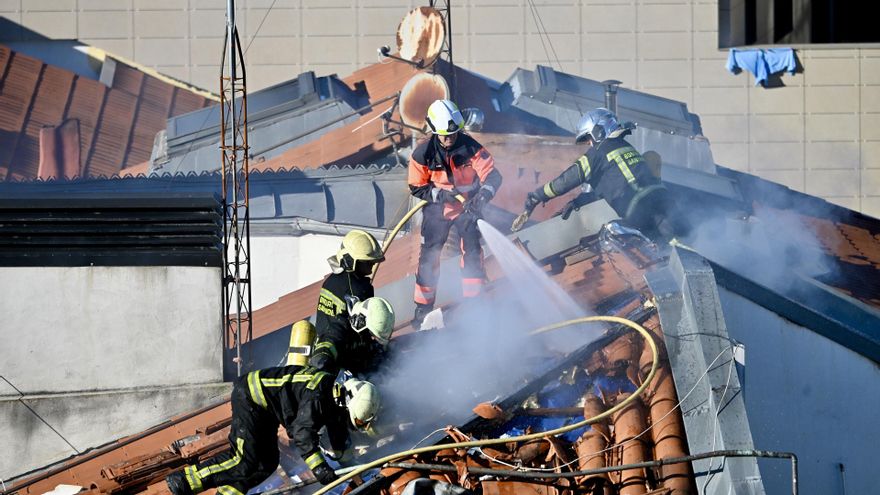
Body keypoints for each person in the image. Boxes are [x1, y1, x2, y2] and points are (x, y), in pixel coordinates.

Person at [165, 366, 380, 495]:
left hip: (266, 410)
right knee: (243, 460)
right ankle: (184, 481)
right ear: (347, 403)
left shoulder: (335, 396)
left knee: (265, 463)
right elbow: (302, 434)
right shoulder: (319, 397)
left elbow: (338, 439)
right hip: (251, 397)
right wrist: (320, 469)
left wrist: (353, 469)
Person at [407, 99, 502, 329]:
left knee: (472, 254)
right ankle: (423, 309)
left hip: (468, 208)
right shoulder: (423, 154)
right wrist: (440, 196)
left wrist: (482, 196)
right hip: (438, 210)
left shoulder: (471, 148)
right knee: (429, 257)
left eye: (453, 134)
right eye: (445, 135)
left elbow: (493, 176)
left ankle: (475, 304)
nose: (450, 139)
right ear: (434, 131)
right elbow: (416, 186)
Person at [523, 108, 685, 242]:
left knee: (611, 236)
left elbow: (569, 178)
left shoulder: (599, 152)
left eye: (588, 138)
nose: (589, 144)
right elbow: (615, 186)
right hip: (663, 201)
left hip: (638, 210)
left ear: (598, 131)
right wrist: (580, 200)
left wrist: (539, 195)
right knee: (678, 244)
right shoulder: (624, 146)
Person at [309, 230, 394, 376]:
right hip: (345, 356)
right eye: (366, 263)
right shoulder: (359, 289)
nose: (371, 266)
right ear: (350, 260)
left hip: (324, 349)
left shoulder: (331, 281)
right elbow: (361, 327)